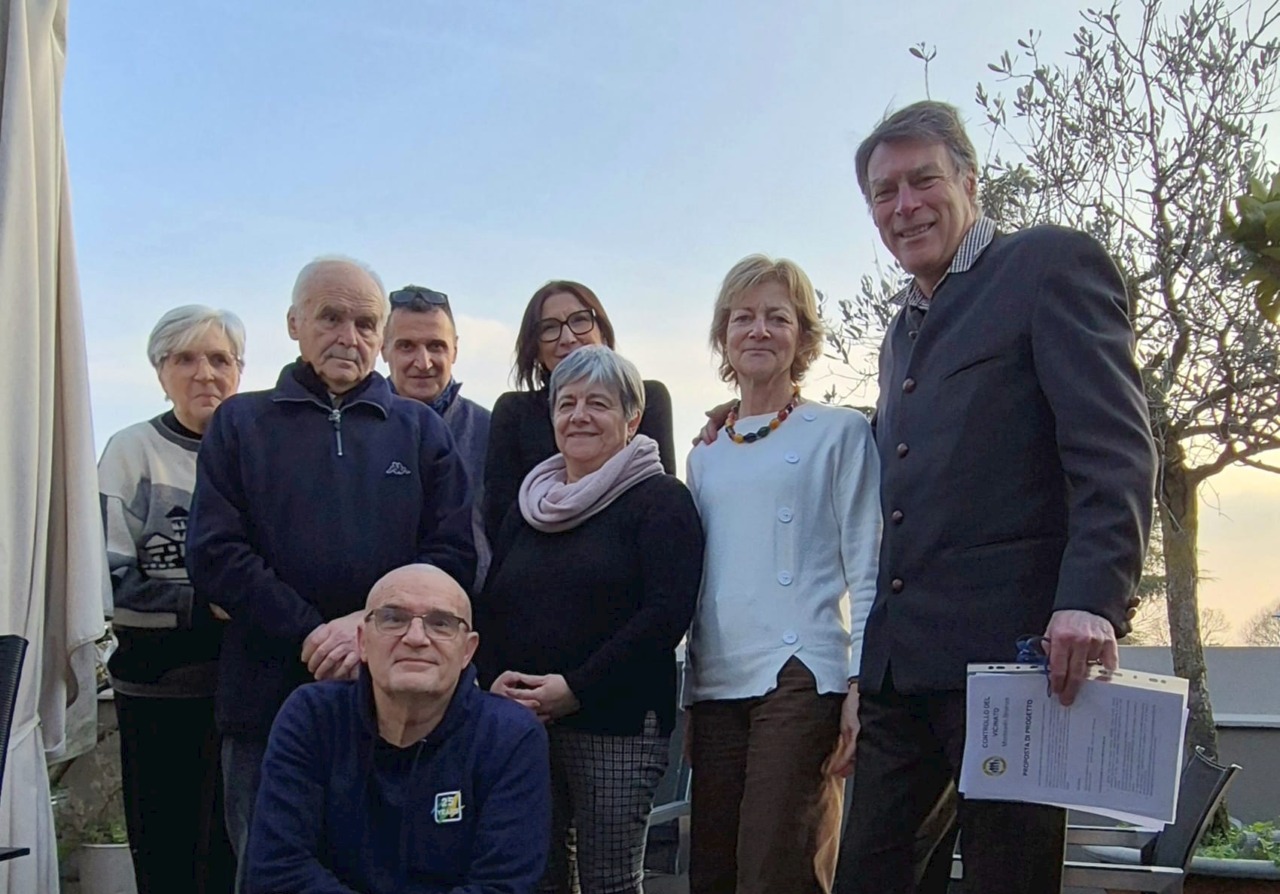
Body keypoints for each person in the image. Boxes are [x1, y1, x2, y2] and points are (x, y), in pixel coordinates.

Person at [832, 101, 1157, 894]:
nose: (903, 206)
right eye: (884, 193)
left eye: (922, 181)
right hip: (900, 671)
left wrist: (1091, 600)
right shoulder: (900, 331)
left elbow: (1113, 446)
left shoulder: (1048, 265)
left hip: (1019, 664)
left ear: (969, 181)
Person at [186, 256, 477, 891]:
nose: (349, 335)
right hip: (265, 705)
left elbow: (453, 556)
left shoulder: (421, 430)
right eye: (331, 317)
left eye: (365, 322)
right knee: (269, 875)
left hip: (397, 712)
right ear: (293, 324)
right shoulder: (240, 423)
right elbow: (213, 553)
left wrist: (366, 631)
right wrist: (312, 632)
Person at [684, 255, 881, 894]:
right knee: (711, 870)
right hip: (716, 684)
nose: (759, 330)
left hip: (800, 676)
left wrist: (861, 684)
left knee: (778, 870)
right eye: (744, 317)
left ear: (802, 335)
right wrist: (689, 696)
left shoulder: (840, 432)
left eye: (778, 317)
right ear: (723, 335)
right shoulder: (707, 452)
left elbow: (869, 561)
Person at [476, 345, 704, 894]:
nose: (578, 415)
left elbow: (664, 616)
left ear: (631, 419)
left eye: (598, 403)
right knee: (536, 876)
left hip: (617, 722)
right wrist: (493, 678)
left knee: (608, 880)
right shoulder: (530, 504)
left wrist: (576, 688)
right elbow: (494, 601)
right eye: (567, 403)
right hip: (525, 718)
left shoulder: (660, 499)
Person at [246, 564, 550, 894]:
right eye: (393, 618)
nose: (416, 638)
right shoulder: (310, 717)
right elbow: (277, 868)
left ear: (468, 650)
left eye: (441, 623)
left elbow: (503, 885)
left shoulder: (512, 737)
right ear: (362, 641)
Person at [98, 305, 243, 894]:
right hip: (157, 691)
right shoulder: (131, 452)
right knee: (166, 856)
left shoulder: (253, 452)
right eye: (185, 358)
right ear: (160, 371)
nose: (204, 373)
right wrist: (201, 607)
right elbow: (103, 576)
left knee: (236, 855)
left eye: (219, 359)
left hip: (242, 695)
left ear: (239, 370)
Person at [482, 280, 676, 540]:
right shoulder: (513, 411)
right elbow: (500, 517)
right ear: (535, 347)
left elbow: (658, 491)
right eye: (549, 328)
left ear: (603, 332)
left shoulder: (648, 397)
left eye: (580, 320)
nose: (568, 337)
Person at [383, 284, 493, 588]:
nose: (423, 362)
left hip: (474, 612)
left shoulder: (491, 430)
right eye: (406, 346)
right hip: (379, 614)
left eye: (436, 346)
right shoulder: (355, 431)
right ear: (383, 348)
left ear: (455, 349)